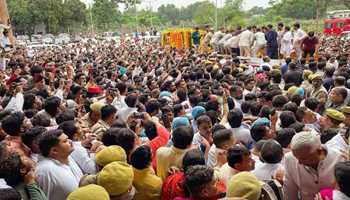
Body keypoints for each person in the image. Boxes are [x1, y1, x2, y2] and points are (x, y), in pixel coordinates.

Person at [283, 131, 345, 200]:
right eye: (296, 157)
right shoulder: (290, 159)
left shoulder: (340, 158)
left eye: (304, 158)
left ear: (320, 152)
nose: (299, 162)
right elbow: (289, 192)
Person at [36, 129, 83, 200]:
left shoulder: (67, 156)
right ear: (54, 151)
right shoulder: (44, 171)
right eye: (65, 141)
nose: (70, 141)